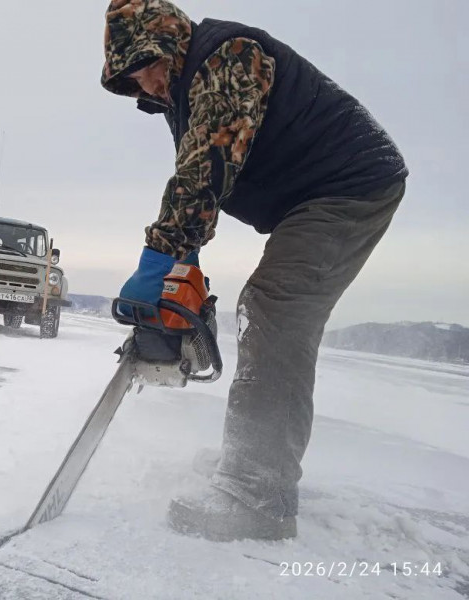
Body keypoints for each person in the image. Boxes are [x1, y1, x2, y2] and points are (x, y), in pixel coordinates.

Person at [101, 0, 407, 541]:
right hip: (310, 196)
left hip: (350, 186)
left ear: (169, 41)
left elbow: (209, 167)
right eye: (131, 78)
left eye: (146, 66)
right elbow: (201, 171)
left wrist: (160, 255)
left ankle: (258, 495)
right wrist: (182, 260)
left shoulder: (229, 56)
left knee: (274, 306)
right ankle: (248, 462)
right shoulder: (184, 85)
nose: (145, 84)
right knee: (266, 304)